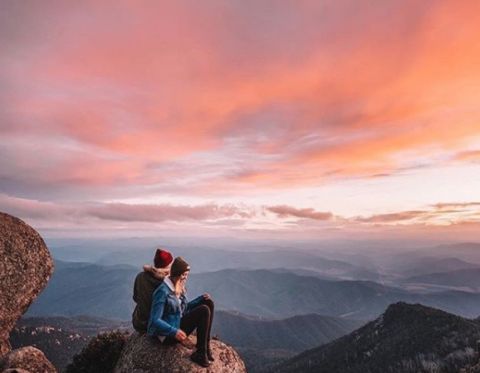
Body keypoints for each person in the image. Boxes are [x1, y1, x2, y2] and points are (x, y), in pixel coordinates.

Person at [147, 257, 215, 367]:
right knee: (204, 310)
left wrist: (200, 299)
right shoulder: (162, 291)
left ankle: (205, 347)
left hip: (177, 324)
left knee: (208, 303)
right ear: (179, 274)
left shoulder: (178, 287)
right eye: (185, 275)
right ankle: (200, 354)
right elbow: (154, 320)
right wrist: (174, 331)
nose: (186, 278)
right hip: (167, 335)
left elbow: (183, 309)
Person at [132, 248, 174, 333]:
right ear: (168, 266)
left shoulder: (140, 276)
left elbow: (136, 298)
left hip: (140, 324)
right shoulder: (168, 283)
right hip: (158, 325)